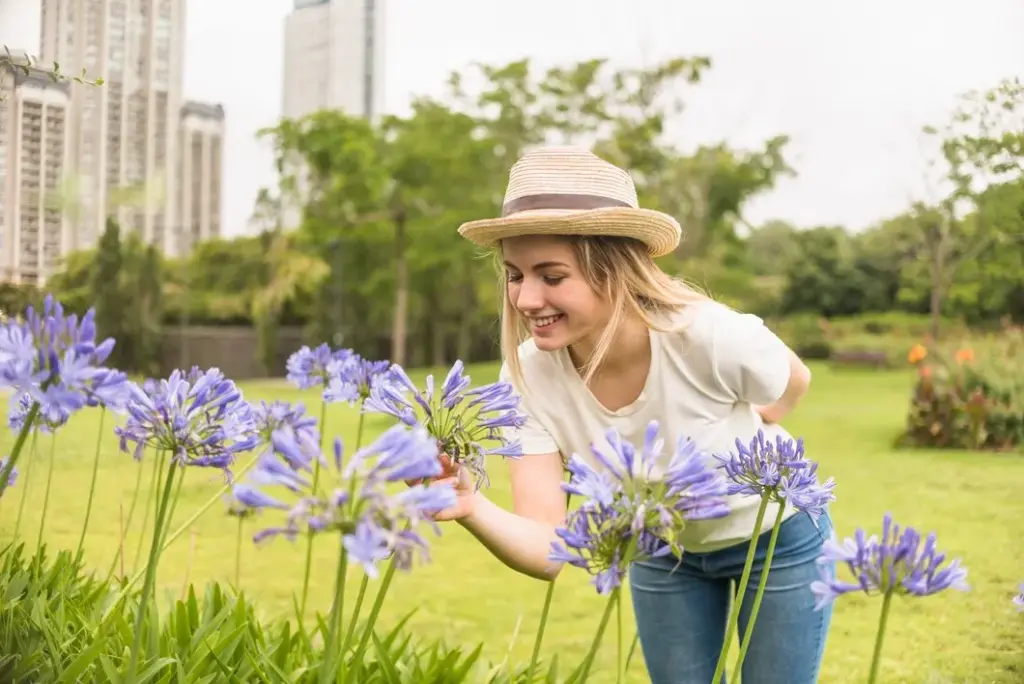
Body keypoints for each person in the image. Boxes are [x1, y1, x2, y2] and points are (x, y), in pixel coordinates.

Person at [430, 145, 834, 684]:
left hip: (776, 542)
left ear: (613, 271)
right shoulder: (527, 376)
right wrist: (470, 504)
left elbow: (795, 379)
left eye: (551, 276)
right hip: (661, 551)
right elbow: (550, 550)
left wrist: (766, 418)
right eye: (514, 275)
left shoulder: (708, 335)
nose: (526, 299)